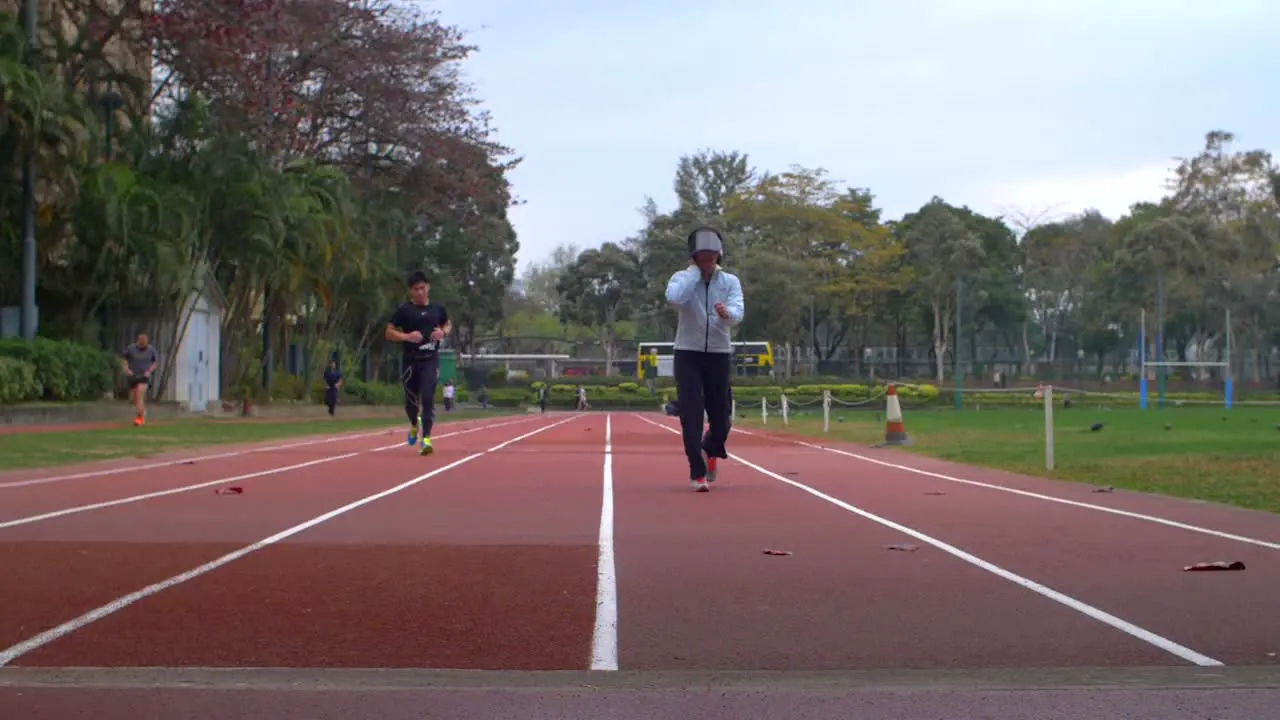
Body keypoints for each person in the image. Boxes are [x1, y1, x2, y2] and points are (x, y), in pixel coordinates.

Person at [664, 226, 745, 492]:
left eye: (712, 256)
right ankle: (697, 471)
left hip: (719, 354)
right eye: (702, 257)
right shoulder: (682, 278)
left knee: (721, 418)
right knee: (692, 414)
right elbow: (674, 299)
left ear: (719, 255)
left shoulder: (729, 281)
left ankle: (711, 446)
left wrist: (726, 313)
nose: (708, 261)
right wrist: (694, 275)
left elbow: (738, 311)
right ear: (694, 257)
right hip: (688, 353)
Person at [385, 270, 451, 455]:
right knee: (411, 401)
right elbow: (388, 332)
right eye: (416, 289)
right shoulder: (404, 311)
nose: (420, 292)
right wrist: (407, 336)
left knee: (428, 398)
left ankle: (427, 439)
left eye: (423, 288)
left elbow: (447, 323)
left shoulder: (437, 309)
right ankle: (415, 424)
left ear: (428, 288)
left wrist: (443, 333)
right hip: (410, 361)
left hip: (430, 360)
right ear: (411, 291)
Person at [121, 333, 158, 427]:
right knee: (134, 399)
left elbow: (155, 363)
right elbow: (124, 359)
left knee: (139, 395)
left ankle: (140, 419)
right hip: (133, 375)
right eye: (140, 345)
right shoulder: (131, 349)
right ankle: (142, 412)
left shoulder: (151, 350)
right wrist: (126, 369)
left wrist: (149, 371)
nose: (142, 348)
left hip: (144, 376)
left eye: (144, 346)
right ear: (137, 342)